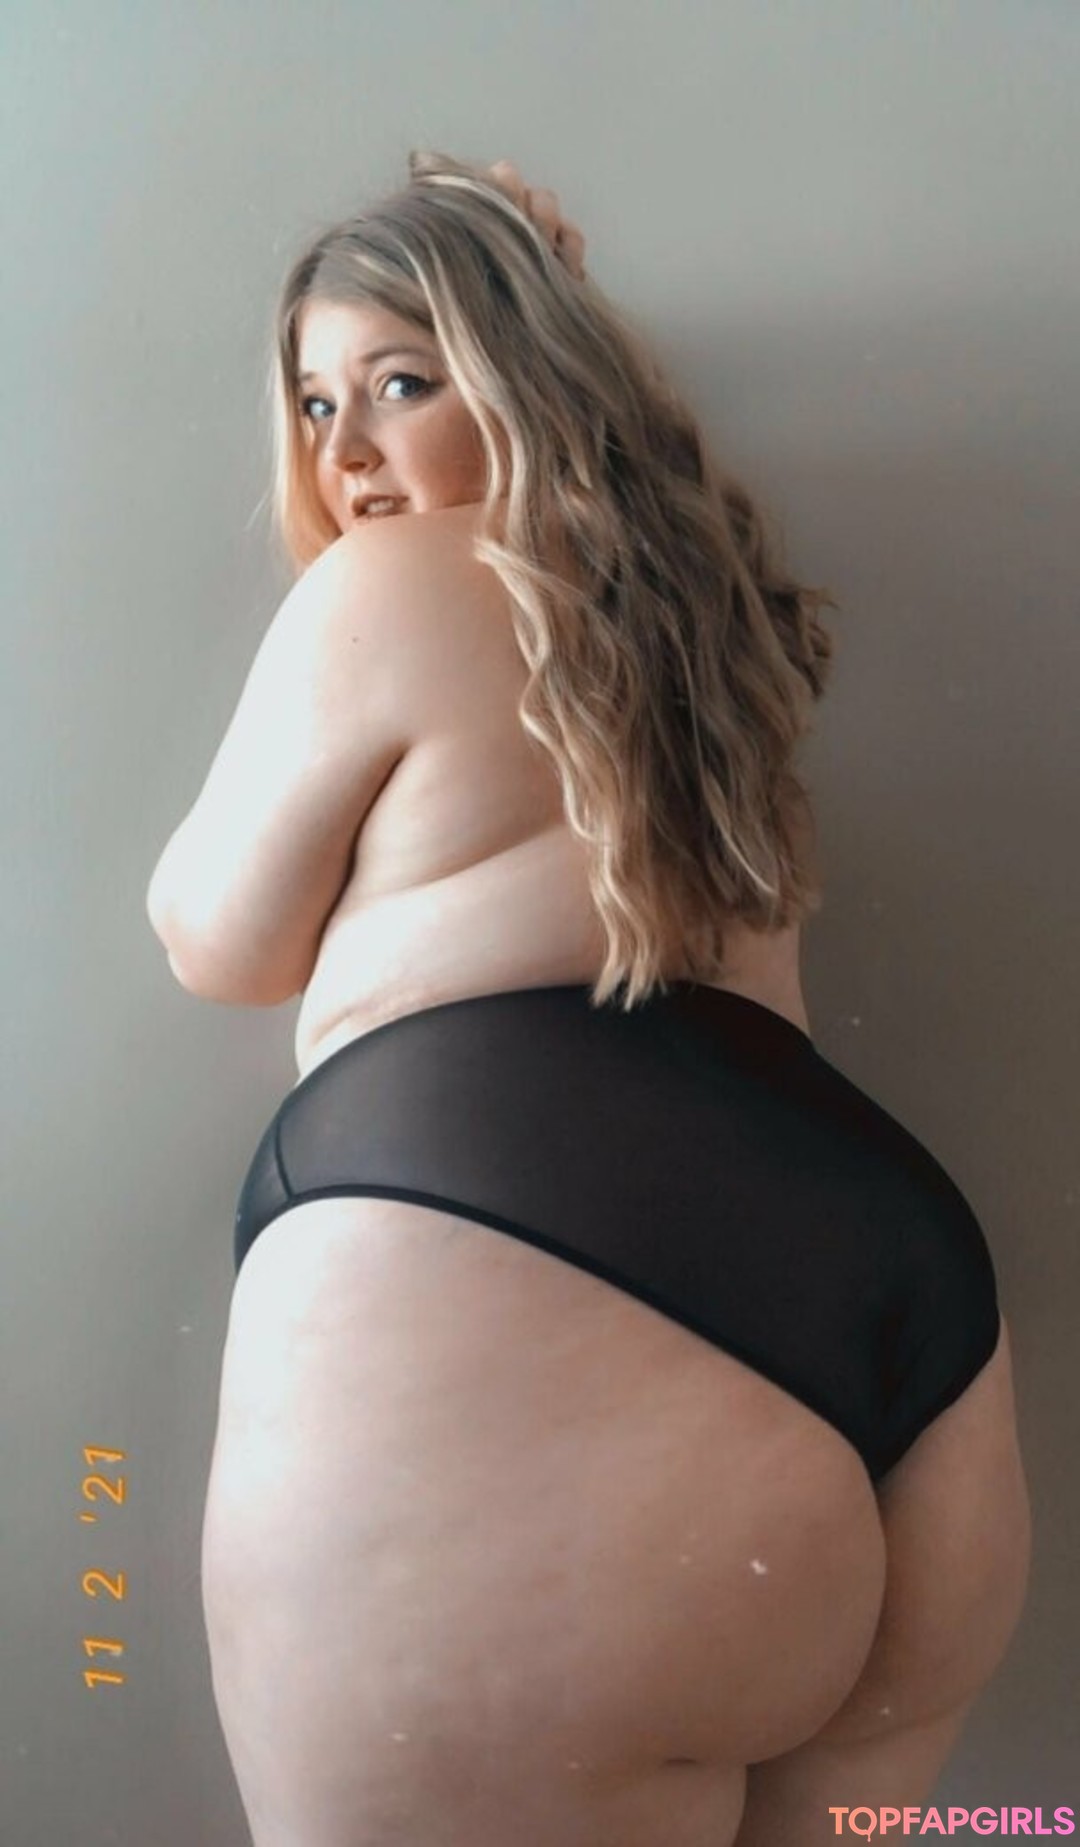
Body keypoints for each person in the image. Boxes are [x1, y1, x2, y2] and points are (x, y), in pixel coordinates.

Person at [148, 153, 1031, 1846]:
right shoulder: (708, 628)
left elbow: (219, 942)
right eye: (317, 403)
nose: (345, 454)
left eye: (402, 385)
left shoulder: (382, 589)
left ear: (523, 383)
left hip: (515, 1294)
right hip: (890, 1316)